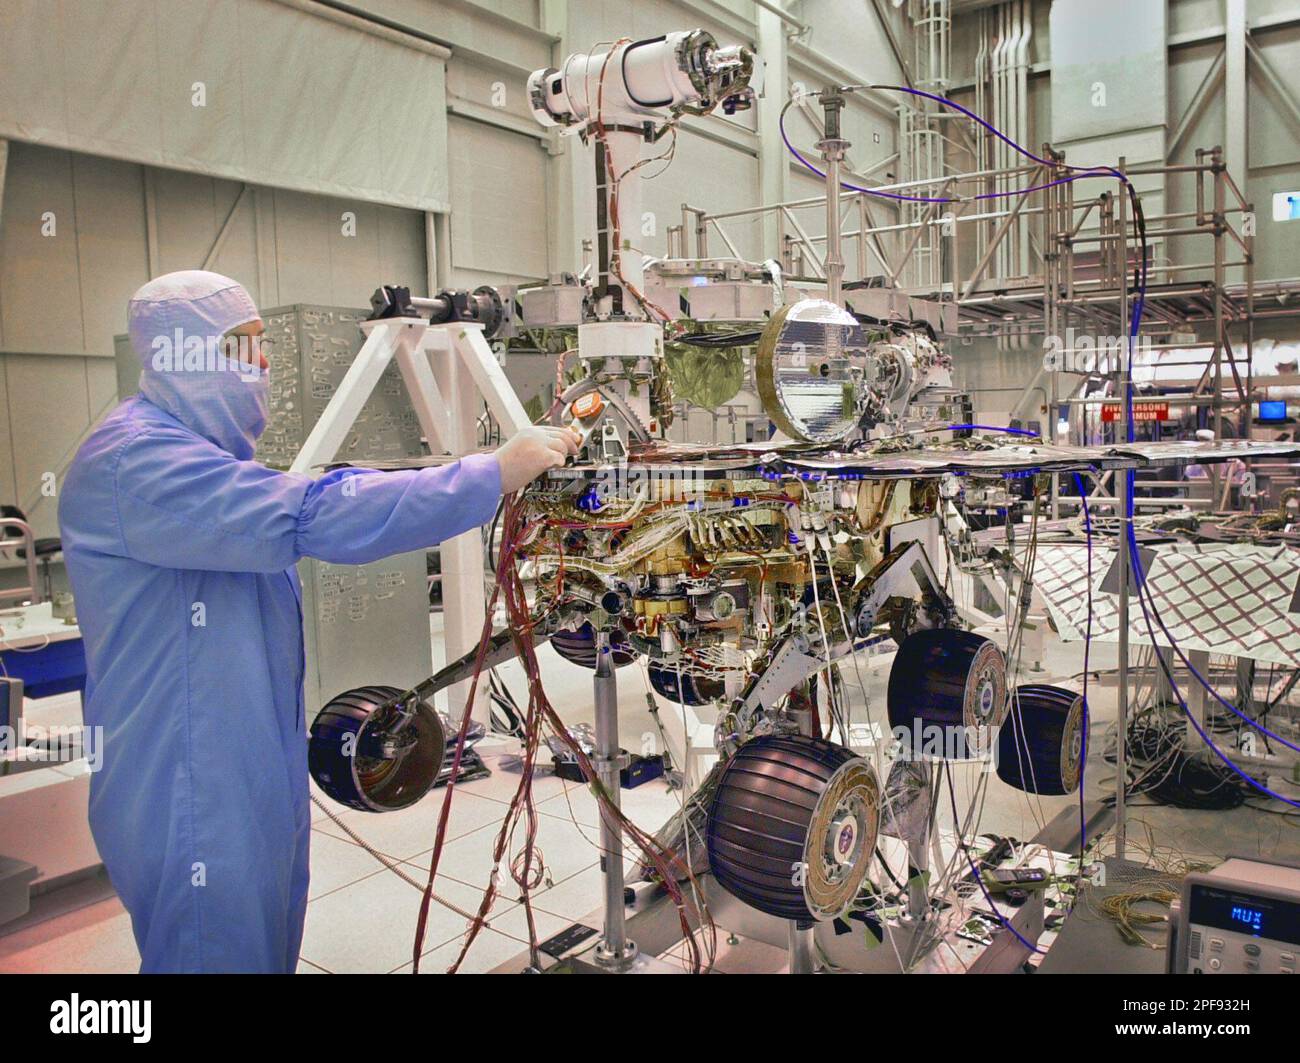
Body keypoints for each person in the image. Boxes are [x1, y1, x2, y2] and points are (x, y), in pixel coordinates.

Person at [58, 270, 579, 972]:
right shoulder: (136, 461)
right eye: (247, 346)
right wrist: (486, 474)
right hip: (189, 783)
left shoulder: (199, 459)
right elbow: (310, 513)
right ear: (187, 352)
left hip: (246, 765)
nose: (266, 363)